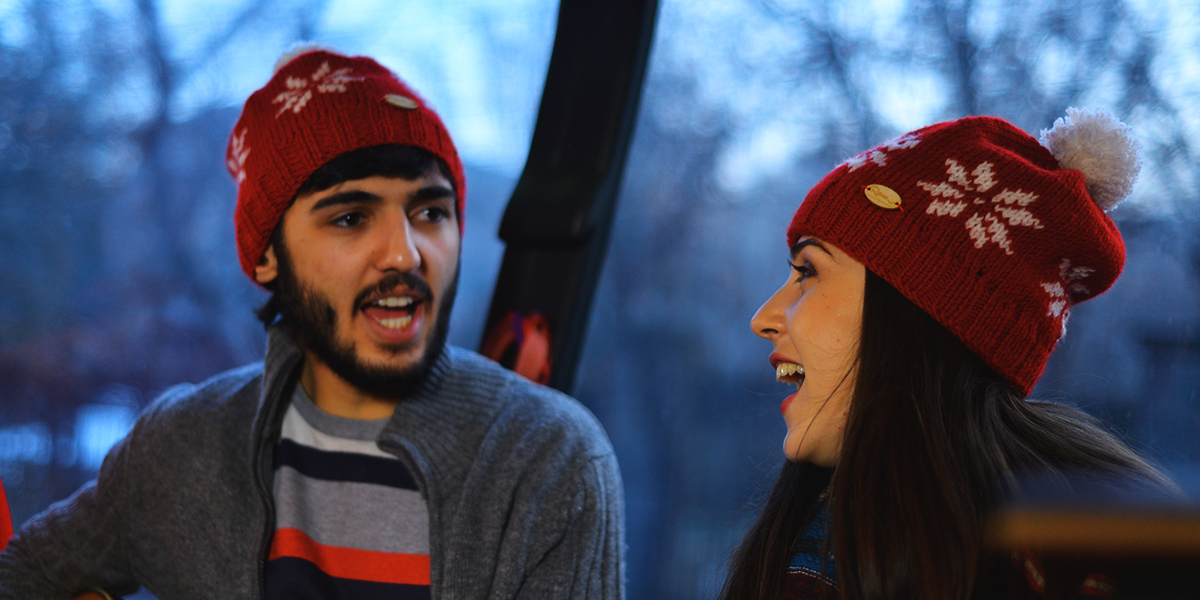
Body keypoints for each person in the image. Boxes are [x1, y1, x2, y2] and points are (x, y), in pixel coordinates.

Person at [0, 47, 625, 600]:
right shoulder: (183, 446)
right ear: (268, 255)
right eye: (351, 218)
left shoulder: (549, 461)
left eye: (430, 212)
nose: (406, 254)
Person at [720, 110, 1177, 600]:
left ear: (916, 309)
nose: (763, 317)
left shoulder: (843, 563)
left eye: (808, 271)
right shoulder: (1106, 546)